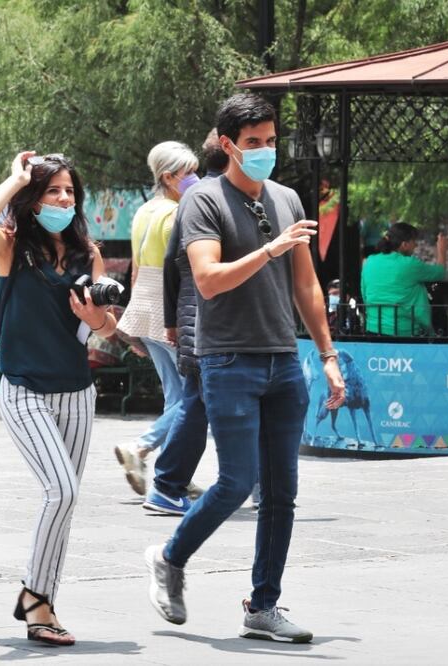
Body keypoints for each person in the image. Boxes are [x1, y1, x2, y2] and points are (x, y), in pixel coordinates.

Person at [144, 93, 345, 643]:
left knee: (281, 492)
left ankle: (263, 605)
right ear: (227, 144)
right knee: (236, 481)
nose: (265, 151)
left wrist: (327, 357)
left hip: (283, 359)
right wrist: (271, 249)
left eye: (272, 141)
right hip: (227, 358)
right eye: (253, 143)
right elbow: (208, 280)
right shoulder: (203, 201)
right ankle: (169, 556)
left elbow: (306, 285)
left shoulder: (286, 198)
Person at [0, 151, 117, 646]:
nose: (63, 199)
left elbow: (105, 330)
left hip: (76, 392)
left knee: (63, 502)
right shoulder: (11, 248)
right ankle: (36, 598)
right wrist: (14, 180)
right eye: (53, 191)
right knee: (63, 492)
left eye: (70, 191)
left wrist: (94, 318)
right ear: (34, 200)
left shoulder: (86, 254)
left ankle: (40, 607)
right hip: (25, 389)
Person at [148, 136, 231, 515]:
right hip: (205, 319)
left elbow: (164, 267)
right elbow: (176, 267)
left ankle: (170, 482)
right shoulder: (208, 200)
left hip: (188, 318)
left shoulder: (182, 203)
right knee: (195, 403)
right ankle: (167, 481)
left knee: (194, 402)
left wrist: (169, 322)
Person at [113, 142, 200, 500]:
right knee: (196, 397)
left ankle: (175, 474)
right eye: (188, 172)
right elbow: (180, 271)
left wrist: (134, 321)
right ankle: (142, 447)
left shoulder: (144, 211)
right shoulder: (178, 214)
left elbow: (135, 269)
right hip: (170, 310)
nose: (195, 178)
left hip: (145, 306)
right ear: (169, 176)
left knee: (176, 397)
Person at [360, 222, 448, 336]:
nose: (416, 245)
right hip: (405, 332)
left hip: (373, 329)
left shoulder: (369, 262)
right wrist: (442, 250)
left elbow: (364, 293)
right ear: (404, 244)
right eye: (414, 241)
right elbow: (440, 273)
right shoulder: (409, 264)